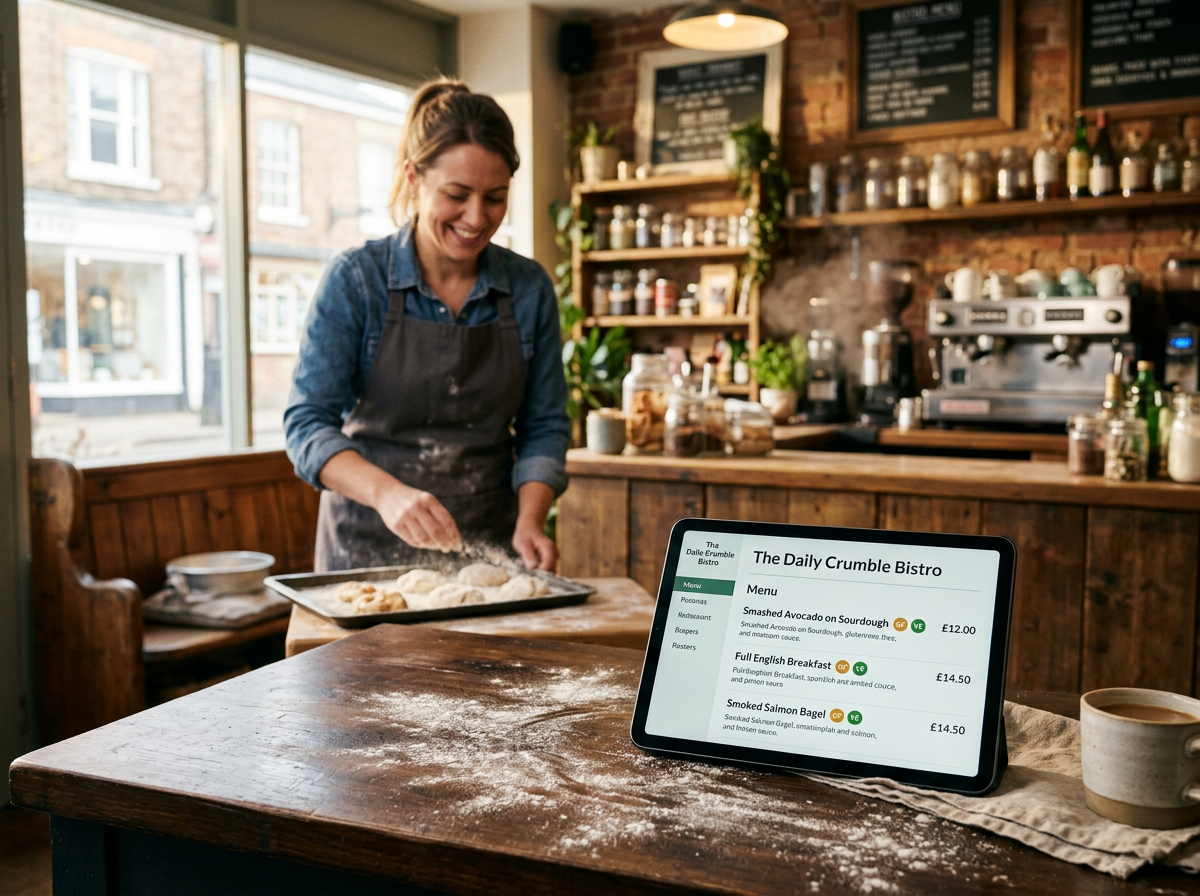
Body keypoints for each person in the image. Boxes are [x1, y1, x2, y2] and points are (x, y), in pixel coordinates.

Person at [284, 78, 570, 573]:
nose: (477, 218)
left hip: (489, 554)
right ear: (413, 178)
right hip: (364, 554)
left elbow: (543, 425)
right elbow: (306, 424)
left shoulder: (528, 289)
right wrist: (388, 494)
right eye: (457, 194)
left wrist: (531, 520)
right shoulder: (357, 281)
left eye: (495, 197)